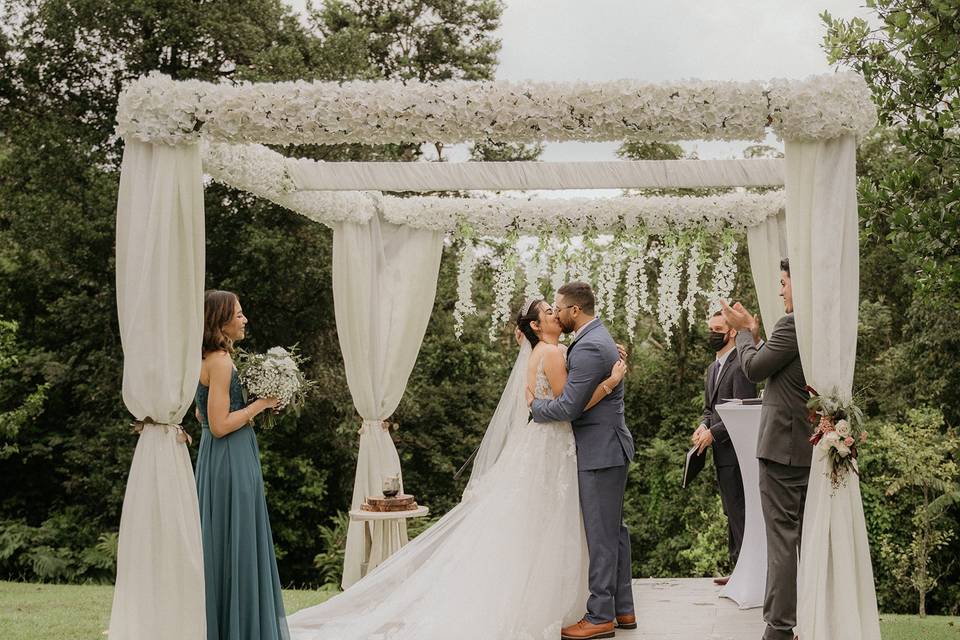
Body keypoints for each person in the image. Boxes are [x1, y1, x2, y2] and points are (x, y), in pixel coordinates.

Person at [286, 298, 625, 640]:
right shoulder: (551, 353)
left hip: (544, 445)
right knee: (551, 522)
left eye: (557, 309)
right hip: (552, 445)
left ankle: (555, 599)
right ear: (536, 326)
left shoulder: (551, 349)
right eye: (549, 312)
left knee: (539, 523)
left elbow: (576, 366)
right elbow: (569, 405)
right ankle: (553, 602)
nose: (556, 313)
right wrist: (609, 383)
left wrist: (607, 354)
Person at [530, 282, 637, 640]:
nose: (557, 313)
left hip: (600, 452)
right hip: (606, 449)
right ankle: (623, 608)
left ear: (575, 310)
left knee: (602, 535)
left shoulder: (590, 345)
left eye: (559, 307)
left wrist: (535, 408)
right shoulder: (594, 339)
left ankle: (600, 615)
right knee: (613, 531)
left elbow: (568, 407)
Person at [720, 258, 809, 640]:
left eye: (784, 282)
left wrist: (741, 334)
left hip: (782, 449)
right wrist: (754, 333)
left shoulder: (792, 324)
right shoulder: (815, 325)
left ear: (799, 285)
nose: (780, 290)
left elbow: (754, 369)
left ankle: (779, 627)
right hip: (801, 446)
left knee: (782, 540)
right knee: (795, 538)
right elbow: (775, 365)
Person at [194, 290, 288, 640]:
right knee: (237, 537)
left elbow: (202, 414)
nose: (244, 319)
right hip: (230, 454)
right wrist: (260, 404)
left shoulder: (206, 358)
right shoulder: (219, 361)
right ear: (220, 321)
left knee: (223, 537)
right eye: (238, 314)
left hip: (217, 457)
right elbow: (219, 425)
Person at [691, 311, 756, 584]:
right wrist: (703, 426)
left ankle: (748, 574)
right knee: (730, 511)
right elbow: (711, 409)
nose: (711, 334)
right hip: (721, 455)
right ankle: (738, 568)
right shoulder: (712, 368)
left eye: (716, 328)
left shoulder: (741, 365)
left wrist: (713, 435)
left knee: (741, 510)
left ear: (731, 332)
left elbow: (743, 409)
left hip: (737, 452)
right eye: (709, 328)